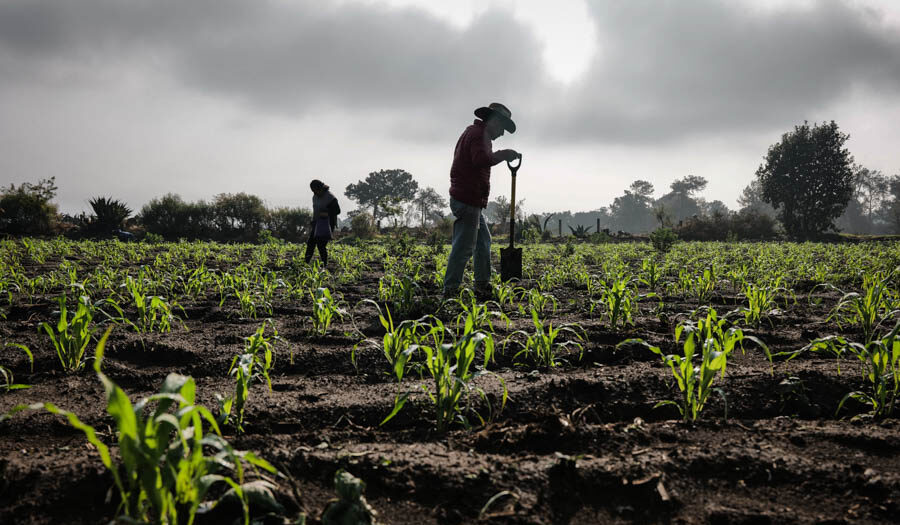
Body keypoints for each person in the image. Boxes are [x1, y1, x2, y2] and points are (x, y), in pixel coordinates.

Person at [443, 102, 520, 299]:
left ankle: (482, 284)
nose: (502, 133)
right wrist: (503, 155)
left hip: (470, 199)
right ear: (494, 121)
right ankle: (450, 290)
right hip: (467, 199)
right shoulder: (479, 135)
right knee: (464, 246)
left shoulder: (475, 132)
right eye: (502, 127)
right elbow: (480, 159)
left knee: (483, 240)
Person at [305, 179, 340, 266]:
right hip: (317, 223)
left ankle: (325, 264)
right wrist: (313, 221)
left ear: (320, 188)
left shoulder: (330, 197)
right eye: (313, 191)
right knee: (310, 243)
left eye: (315, 190)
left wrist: (326, 213)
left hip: (327, 224)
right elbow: (315, 210)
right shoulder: (315, 197)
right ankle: (306, 263)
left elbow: (337, 210)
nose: (314, 192)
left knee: (321, 245)